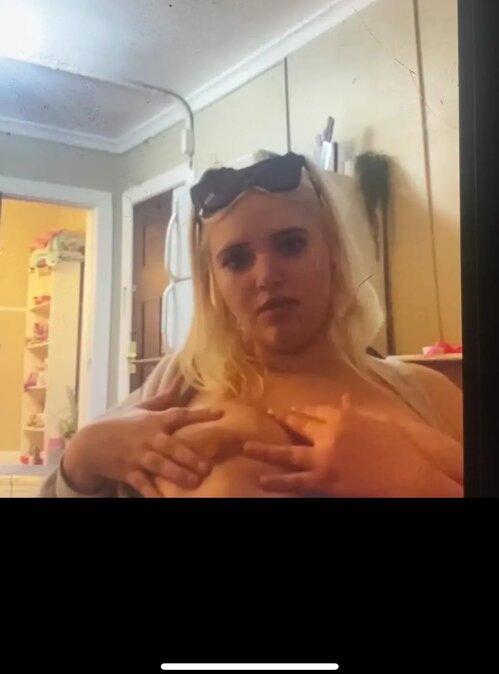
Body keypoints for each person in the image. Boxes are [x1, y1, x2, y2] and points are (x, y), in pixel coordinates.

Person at [40, 152, 463, 498]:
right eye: (237, 260)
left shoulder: (426, 394)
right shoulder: (178, 383)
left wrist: (416, 480)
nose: (266, 276)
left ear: (333, 252)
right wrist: (82, 457)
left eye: (291, 245)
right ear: (213, 281)